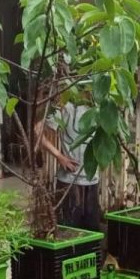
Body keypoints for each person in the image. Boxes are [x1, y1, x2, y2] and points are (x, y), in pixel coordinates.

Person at [39, 99, 101, 232]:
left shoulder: (99, 105)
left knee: (93, 233)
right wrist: (60, 157)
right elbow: (37, 130)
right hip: (69, 183)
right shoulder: (65, 106)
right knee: (69, 232)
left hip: (92, 182)